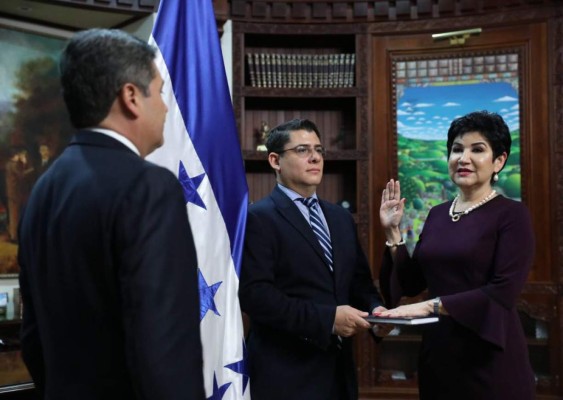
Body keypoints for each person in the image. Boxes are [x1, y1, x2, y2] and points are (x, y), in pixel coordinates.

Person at [17, 29, 205, 399]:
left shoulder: (42, 189)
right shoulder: (149, 187)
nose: (166, 107)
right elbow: (165, 352)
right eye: (160, 92)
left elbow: (33, 339)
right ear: (131, 97)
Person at [377, 110, 535, 399]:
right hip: (438, 356)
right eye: (457, 149)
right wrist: (392, 232)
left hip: (489, 359)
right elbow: (411, 283)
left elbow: (503, 291)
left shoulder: (512, 215)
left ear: (499, 161)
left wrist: (428, 307)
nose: (464, 158)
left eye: (478, 149)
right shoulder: (437, 214)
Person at [239, 118, 388, 400]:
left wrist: (376, 311)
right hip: (284, 376)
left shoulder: (341, 218)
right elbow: (255, 296)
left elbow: (359, 283)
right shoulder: (257, 218)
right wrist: (328, 320)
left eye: (319, 150)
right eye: (302, 150)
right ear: (275, 160)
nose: (315, 157)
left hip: (339, 375)